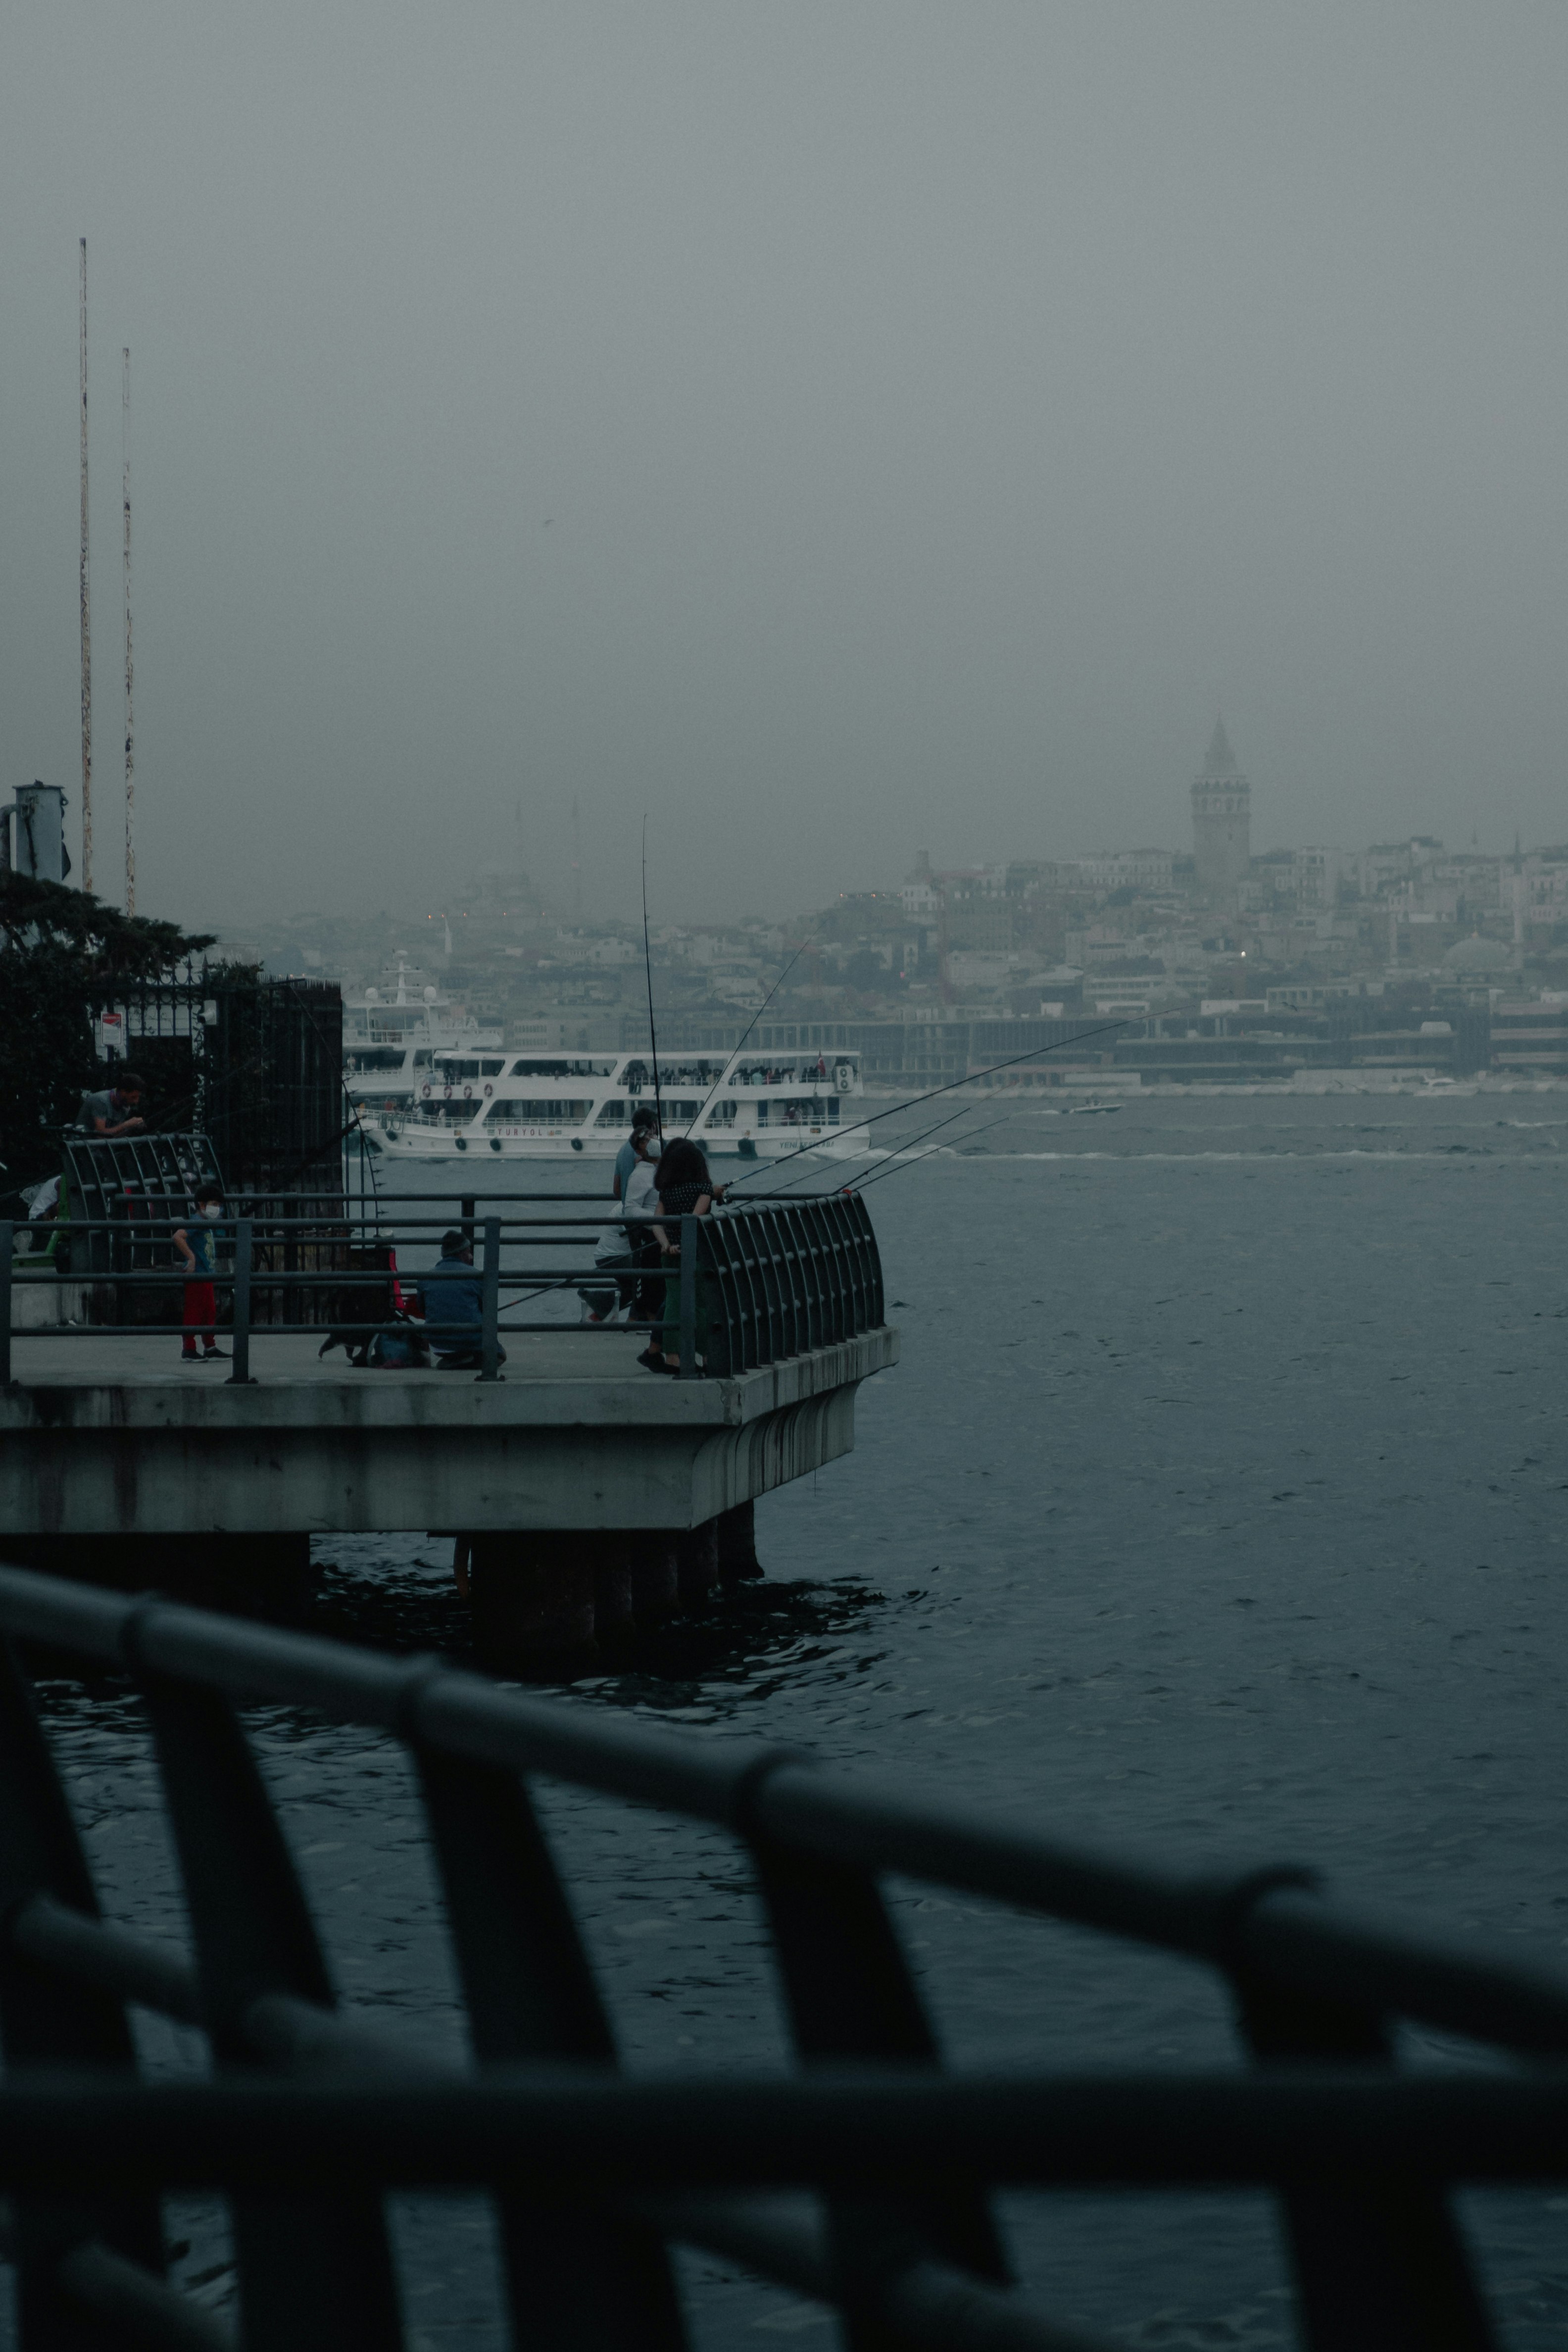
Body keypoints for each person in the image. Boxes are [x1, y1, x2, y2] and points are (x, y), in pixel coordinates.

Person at [639, 1137, 727, 1374]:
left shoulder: (666, 1193)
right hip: (697, 1254)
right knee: (701, 1305)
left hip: (671, 1254)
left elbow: (657, 1222)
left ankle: (673, 1356)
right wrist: (713, 1192)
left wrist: (667, 1245)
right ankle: (706, 1355)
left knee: (674, 1304)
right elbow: (695, 1218)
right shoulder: (703, 1189)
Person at [581, 1113, 661, 1325]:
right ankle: (640, 1321)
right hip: (634, 1223)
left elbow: (617, 1189)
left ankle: (602, 1304)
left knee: (638, 1278)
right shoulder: (646, 1166)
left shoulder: (623, 1150)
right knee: (644, 1274)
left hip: (625, 1216)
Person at [419, 1229, 505, 1371]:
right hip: (470, 1340)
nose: (471, 1257)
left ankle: (456, 1359)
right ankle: (468, 1360)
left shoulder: (426, 1277)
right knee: (500, 1355)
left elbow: (422, 1309)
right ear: (462, 1253)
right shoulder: (475, 1275)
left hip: (438, 1343)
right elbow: (487, 1310)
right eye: (469, 1252)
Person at [173, 1182, 227, 1363]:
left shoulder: (206, 1223)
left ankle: (209, 1346)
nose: (217, 1209)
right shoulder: (197, 1221)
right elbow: (178, 1236)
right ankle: (189, 1349)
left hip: (206, 1275)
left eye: (219, 1205)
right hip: (197, 1275)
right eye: (214, 1204)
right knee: (194, 1312)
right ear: (202, 1205)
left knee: (209, 1311)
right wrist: (191, 1258)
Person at [78, 1072, 147, 1137]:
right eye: (133, 1097)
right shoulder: (101, 1101)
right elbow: (100, 1135)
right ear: (123, 1092)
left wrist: (132, 1128)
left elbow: (114, 1135)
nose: (136, 1102)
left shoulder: (125, 1107)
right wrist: (126, 1125)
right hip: (83, 1145)